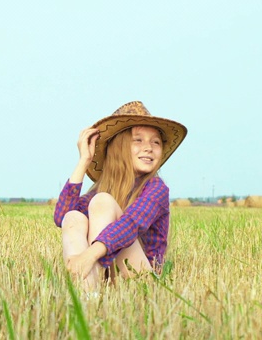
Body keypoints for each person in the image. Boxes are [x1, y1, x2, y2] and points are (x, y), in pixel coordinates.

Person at [53, 101, 187, 289]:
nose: (149, 147)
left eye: (155, 142)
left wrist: (89, 256)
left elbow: (130, 225)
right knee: (74, 216)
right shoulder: (101, 189)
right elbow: (62, 217)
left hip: (140, 280)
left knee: (103, 203)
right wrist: (84, 161)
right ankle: (88, 295)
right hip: (108, 277)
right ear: (119, 146)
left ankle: (88, 289)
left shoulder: (156, 188)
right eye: (138, 140)